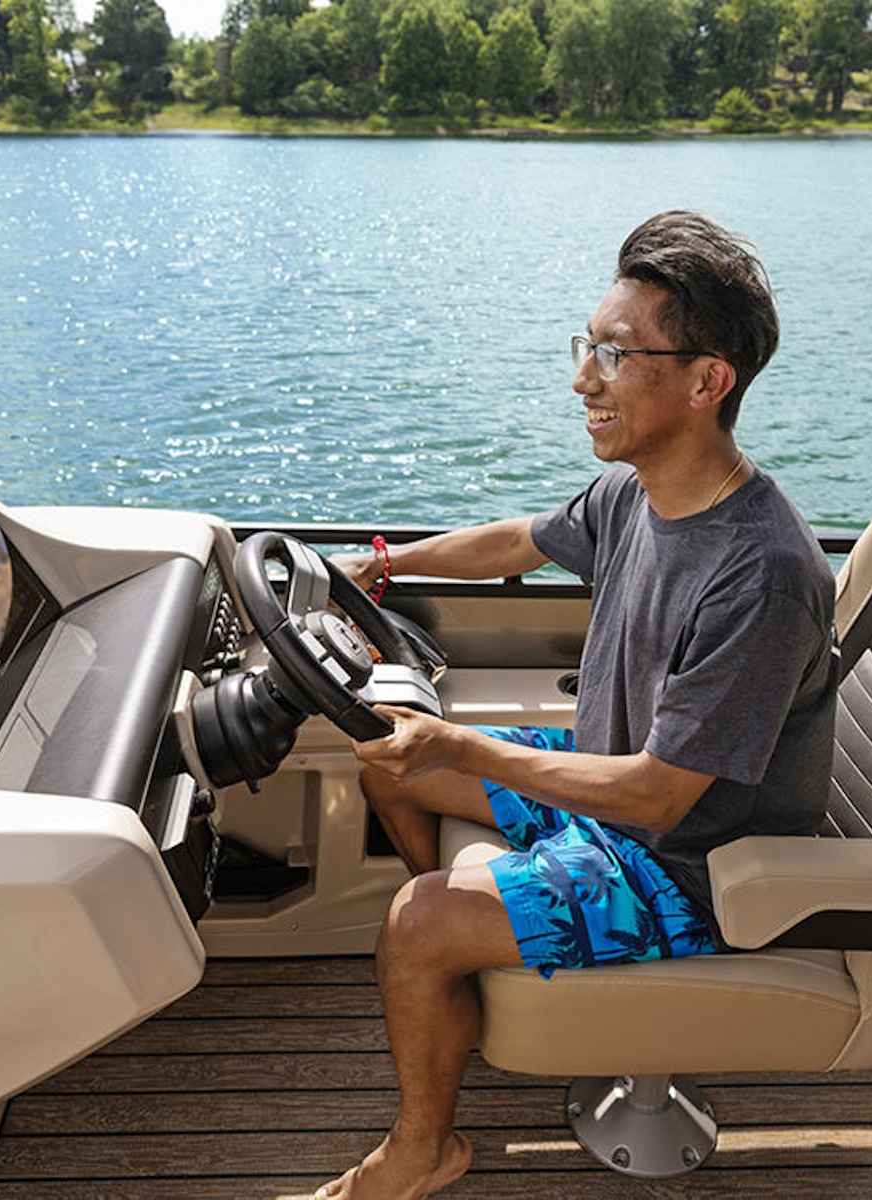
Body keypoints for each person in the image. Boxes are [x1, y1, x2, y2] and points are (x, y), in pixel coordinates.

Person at [312, 210, 838, 1200]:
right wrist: (381, 563)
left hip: (694, 866)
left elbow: (658, 798)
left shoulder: (762, 574)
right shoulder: (640, 490)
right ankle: (471, 972)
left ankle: (425, 1148)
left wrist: (464, 747)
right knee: (388, 758)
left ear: (706, 382)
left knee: (417, 919)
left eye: (615, 354)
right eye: (585, 346)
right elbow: (519, 541)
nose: (582, 379)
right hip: (616, 792)